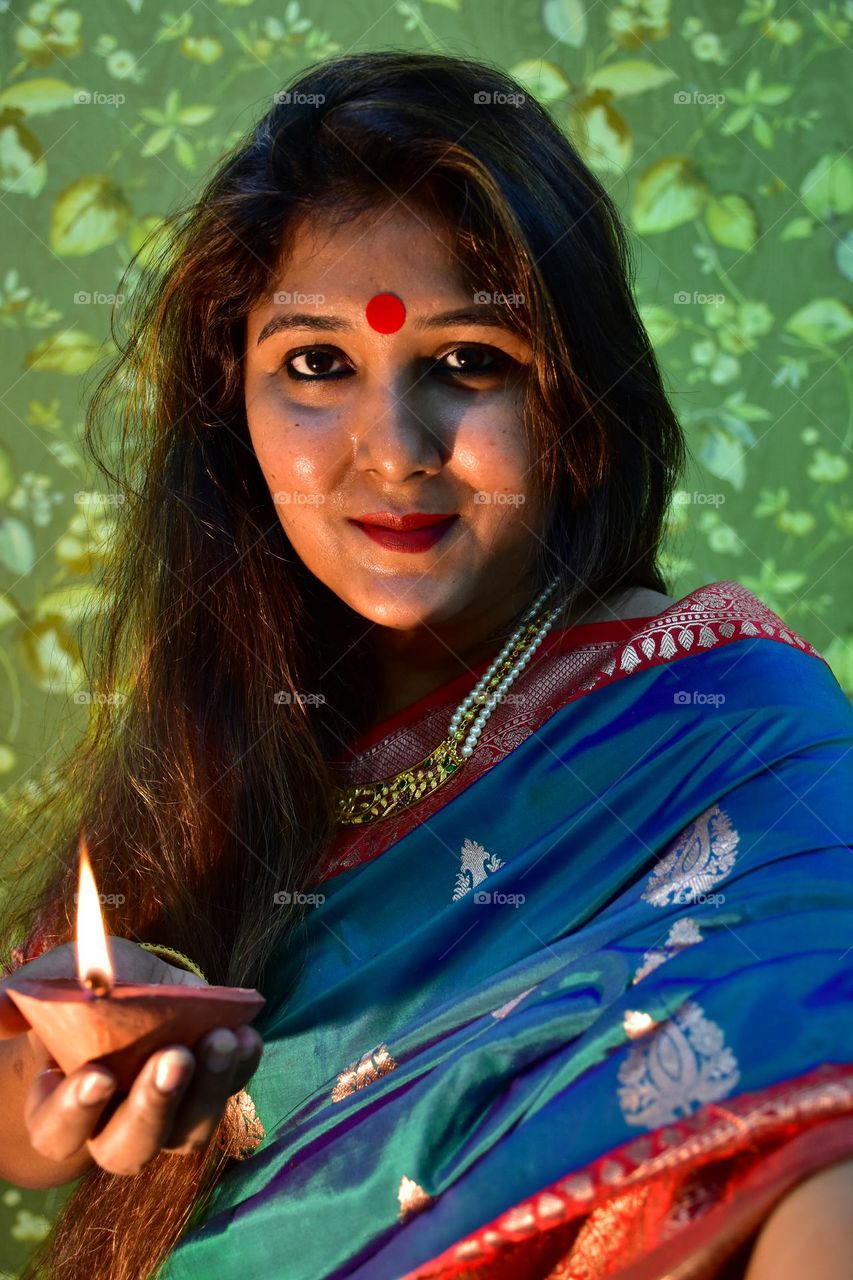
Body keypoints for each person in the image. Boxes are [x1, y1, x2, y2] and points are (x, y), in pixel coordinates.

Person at [1, 48, 852, 1280]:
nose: (393, 452)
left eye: (468, 364)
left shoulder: (728, 719)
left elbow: (814, 1099)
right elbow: (36, 1120)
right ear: (229, 408)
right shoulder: (227, 714)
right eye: (315, 365)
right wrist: (67, 1074)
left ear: (576, 405)